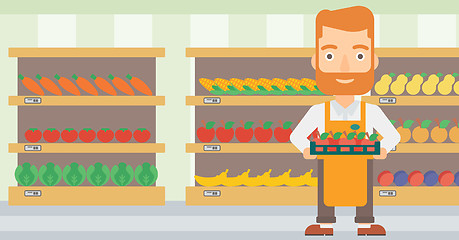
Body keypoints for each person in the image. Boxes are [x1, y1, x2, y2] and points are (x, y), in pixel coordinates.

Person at [290, 6, 401, 236]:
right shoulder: (319, 111)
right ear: (316, 61)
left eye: (359, 56)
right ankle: (325, 223)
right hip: (329, 164)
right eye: (330, 55)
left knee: (363, 192)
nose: (344, 67)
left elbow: (393, 135)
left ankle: (365, 223)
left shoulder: (370, 111)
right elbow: (297, 135)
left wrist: (383, 148)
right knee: (326, 192)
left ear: (373, 61)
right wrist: (306, 148)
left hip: (360, 164)